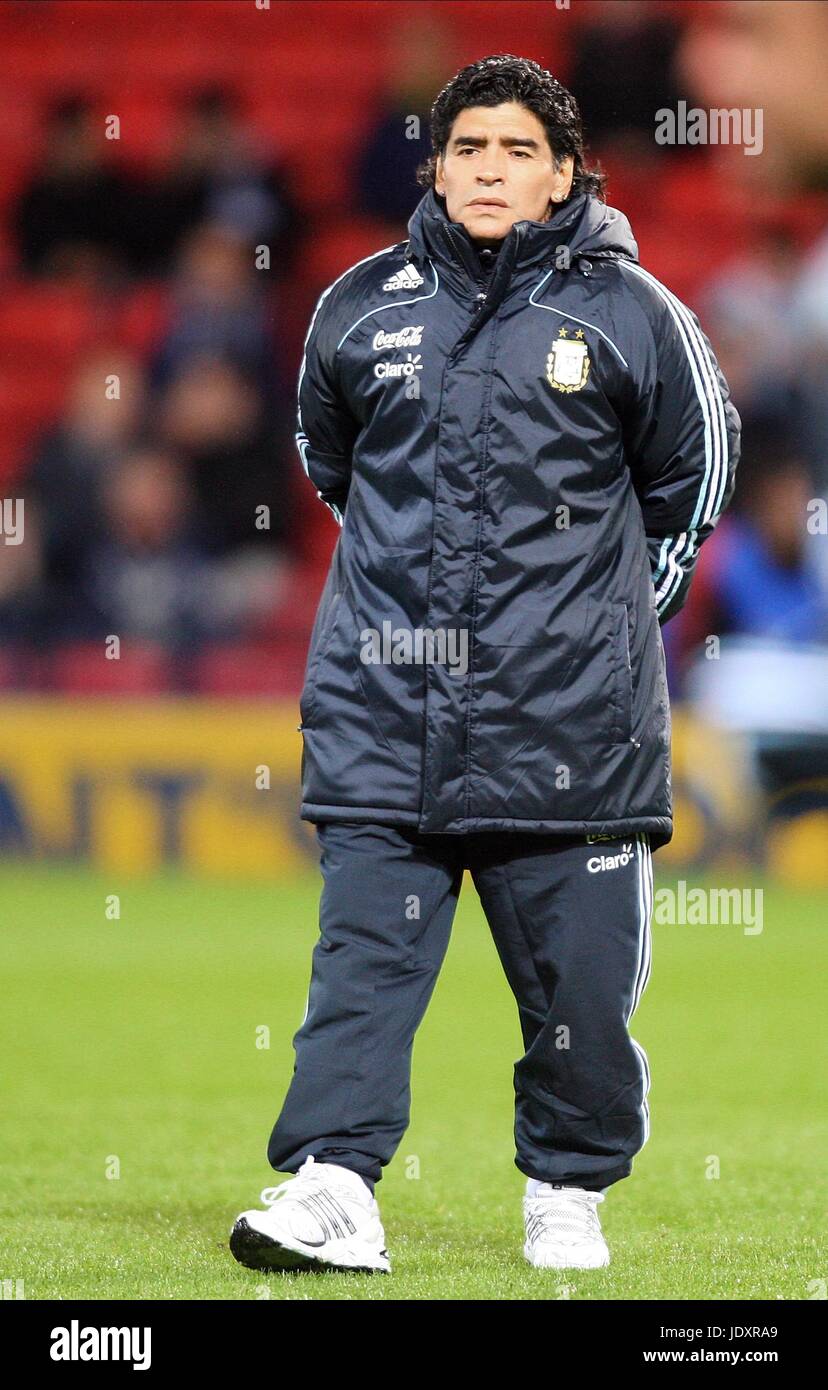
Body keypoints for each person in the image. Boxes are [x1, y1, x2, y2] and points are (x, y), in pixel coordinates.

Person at [229, 55, 740, 1276]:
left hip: (572, 723)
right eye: (469, 149)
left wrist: (606, 626)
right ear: (438, 167)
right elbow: (335, 466)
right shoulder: (360, 305)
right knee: (360, 968)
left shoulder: (633, 313)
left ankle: (567, 1191)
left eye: (518, 151)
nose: (490, 170)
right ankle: (335, 1186)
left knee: (579, 993)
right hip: (384, 705)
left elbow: (697, 478)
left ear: (563, 175)